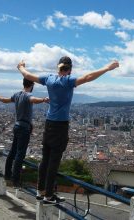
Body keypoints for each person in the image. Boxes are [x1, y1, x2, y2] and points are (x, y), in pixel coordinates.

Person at [17, 56, 119, 204]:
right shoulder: (68, 81)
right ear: (70, 69)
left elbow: (27, 75)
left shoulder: (49, 79)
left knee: (45, 160)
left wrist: (20, 66)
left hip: (48, 123)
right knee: (54, 162)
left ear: (58, 68)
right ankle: (49, 196)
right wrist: (107, 68)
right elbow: (88, 77)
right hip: (60, 126)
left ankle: (40, 191)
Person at [0, 78, 49, 188]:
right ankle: (15, 180)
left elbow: (5, 100)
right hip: (24, 128)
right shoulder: (28, 95)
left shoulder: (17, 95)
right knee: (20, 154)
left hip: (17, 125)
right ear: (32, 85)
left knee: (13, 151)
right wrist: (44, 99)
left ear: (23, 83)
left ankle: (7, 174)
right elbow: (33, 99)